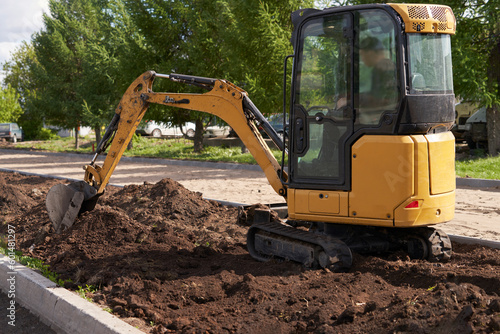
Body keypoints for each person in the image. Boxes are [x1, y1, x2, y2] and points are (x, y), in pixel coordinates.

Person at [357, 36, 398, 123]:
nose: (362, 59)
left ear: (370, 53)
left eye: (362, 54)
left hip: (383, 115)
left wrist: (351, 100)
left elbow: (378, 99)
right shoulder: (388, 65)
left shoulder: (381, 68)